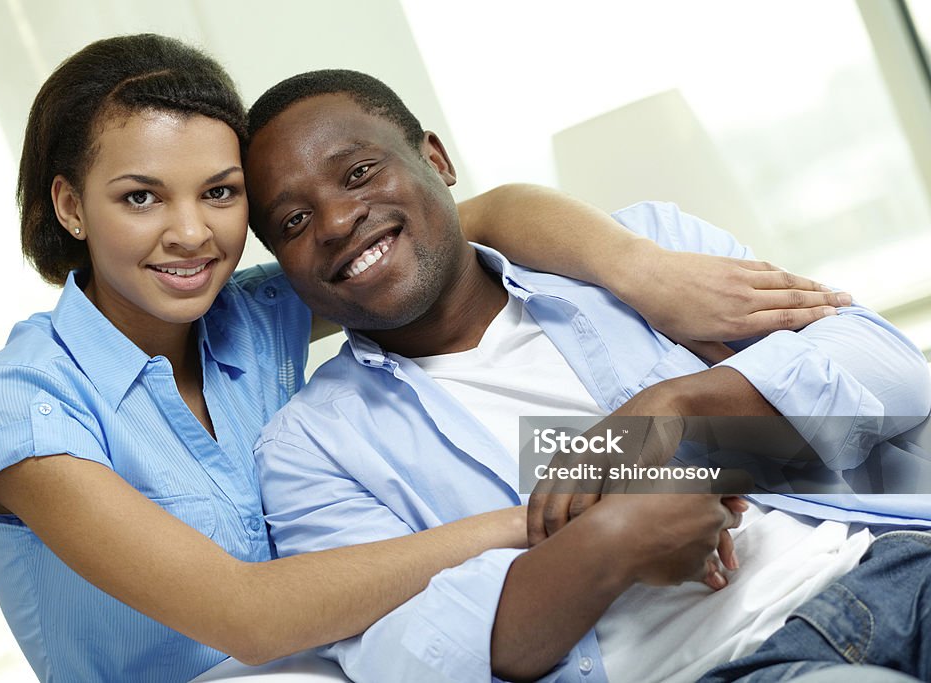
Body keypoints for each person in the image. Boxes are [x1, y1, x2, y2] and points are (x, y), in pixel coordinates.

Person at [0, 35, 840, 683]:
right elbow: (246, 616)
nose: (190, 233)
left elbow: (463, 221)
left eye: (219, 194)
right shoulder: (25, 403)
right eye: (140, 197)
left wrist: (638, 267)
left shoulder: (243, 315)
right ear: (69, 206)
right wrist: (567, 510)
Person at [244, 69, 931, 683]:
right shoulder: (312, 446)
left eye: (358, 173)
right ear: (283, 263)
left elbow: (895, 372)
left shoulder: (644, 254)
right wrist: (609, 542)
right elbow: (412, 655)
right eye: (295, 219)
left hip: (888, 561)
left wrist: (671, 407)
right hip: (742, 663)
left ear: (435, 159)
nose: (336, 221)